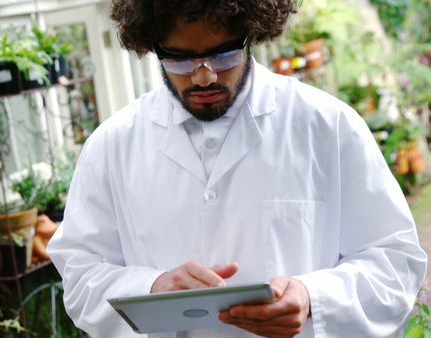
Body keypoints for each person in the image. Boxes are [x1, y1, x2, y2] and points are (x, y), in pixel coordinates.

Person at [47, 0, 428, 337]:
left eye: (223, 54)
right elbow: (80, 277)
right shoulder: (112, 146)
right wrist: (151, 287)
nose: (204, 76)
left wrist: (314, 299)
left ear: (252, 33)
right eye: (179, 58)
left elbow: (396, 260)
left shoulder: (327, 126)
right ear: (151, 45)